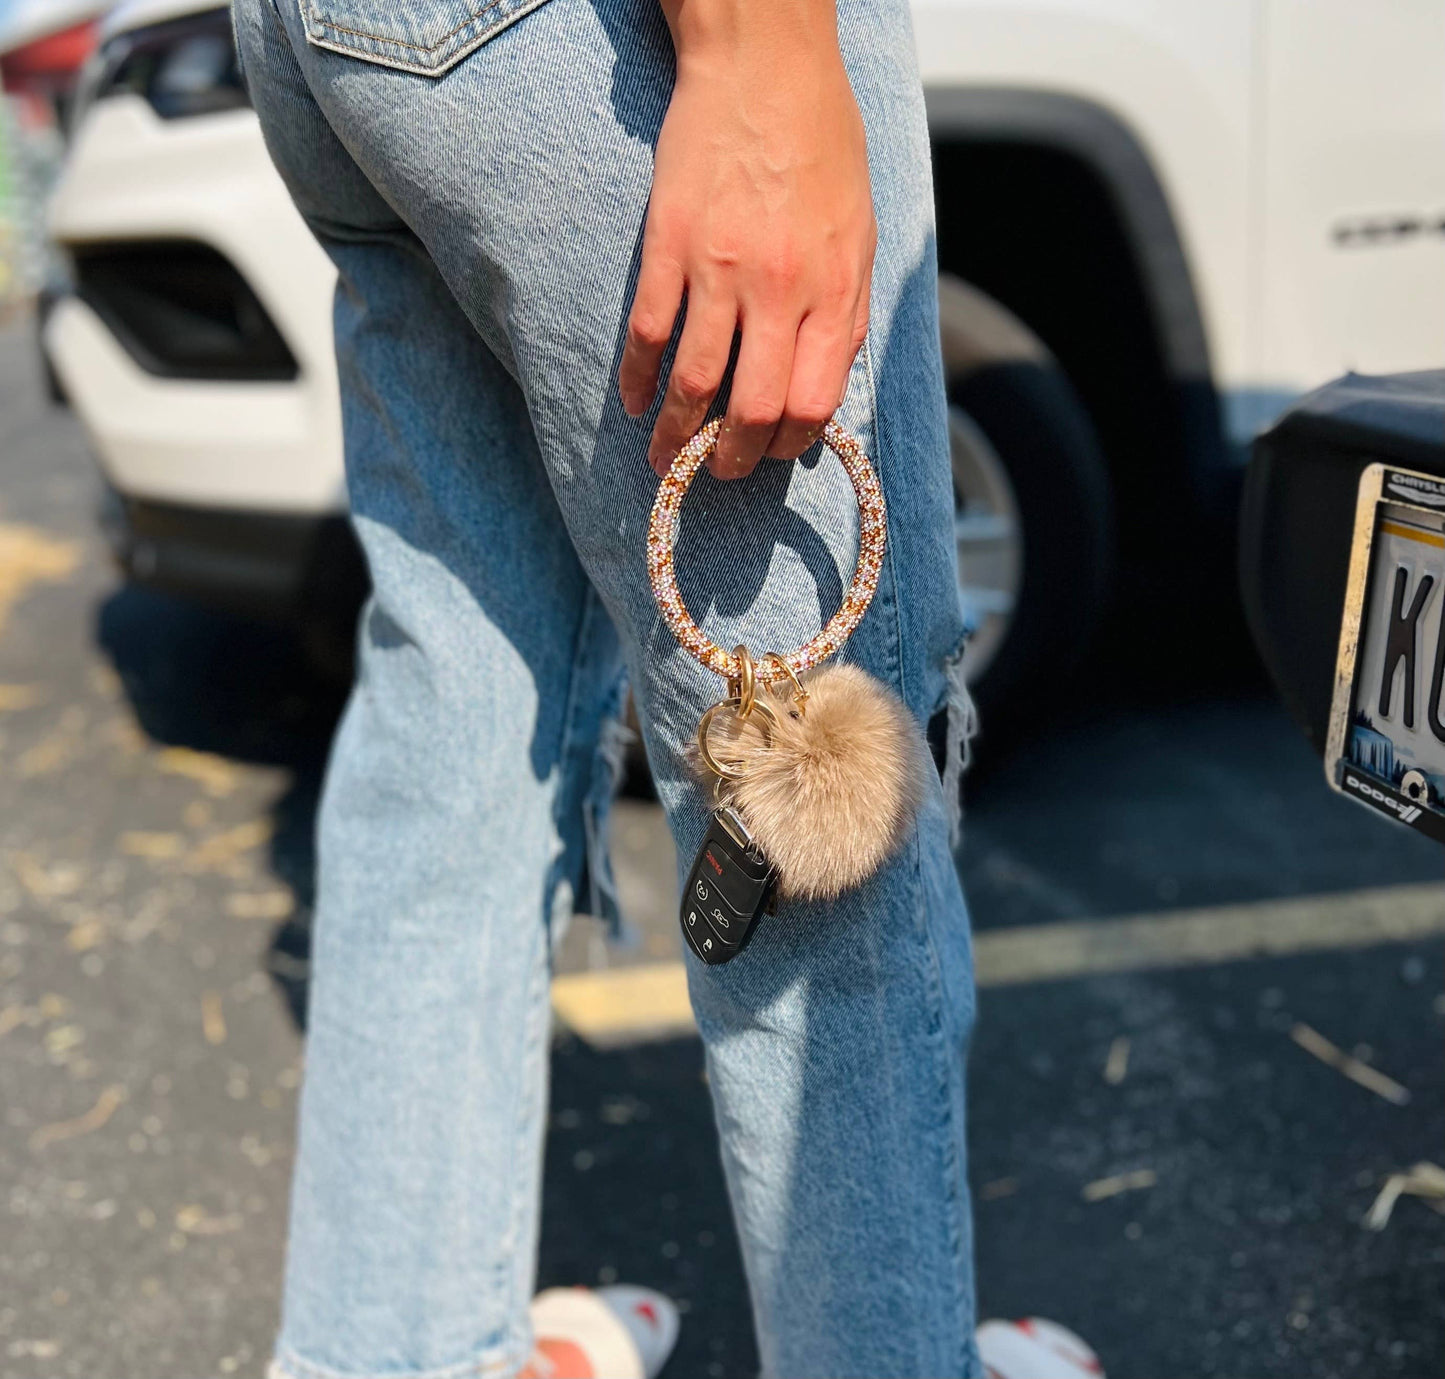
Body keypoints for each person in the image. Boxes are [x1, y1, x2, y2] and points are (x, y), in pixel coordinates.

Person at [231, 1, 1102, 1376]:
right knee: (814, 780)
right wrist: (757, 50)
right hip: (595, 39)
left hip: (339, 41)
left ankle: (391, 1354)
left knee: (455, 709)